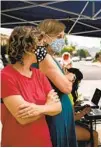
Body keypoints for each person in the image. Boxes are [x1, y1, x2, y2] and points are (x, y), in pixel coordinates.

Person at [1, 26, 62, 146]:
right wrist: (48, 106)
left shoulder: (39, 74)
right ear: (28, 47)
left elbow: (58, 107)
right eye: (41, 45)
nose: (43, 49)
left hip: (44, 142)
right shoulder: (5, 76)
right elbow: (23, 118)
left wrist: (40, 108)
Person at [36, 19, 77, 147]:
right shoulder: (45, 58)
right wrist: (71, 76)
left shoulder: (47, 56)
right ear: (46, 37)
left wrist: (66, 78)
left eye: (63, 37)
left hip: (58, 110)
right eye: (59, 36)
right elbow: (66, 87)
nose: (62, 40)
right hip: (57, 114)